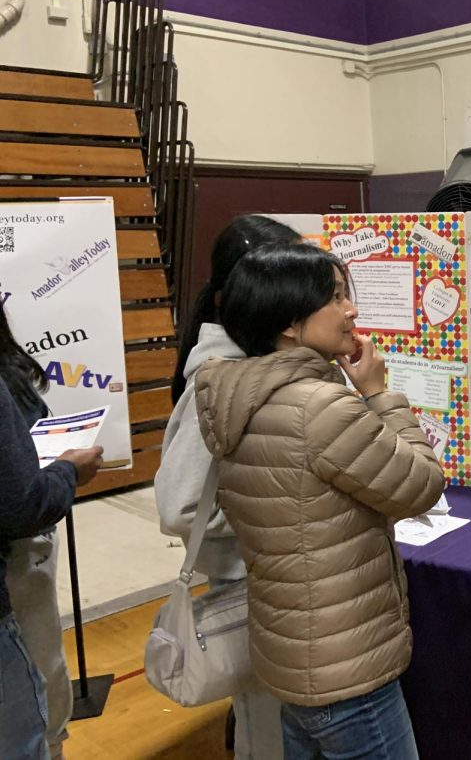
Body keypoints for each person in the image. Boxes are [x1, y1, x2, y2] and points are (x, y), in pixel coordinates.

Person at [194, 243, 445, 760]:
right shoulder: (318, 407)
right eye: (335, 298)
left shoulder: (240, 395)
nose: (351, 309)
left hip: (295, 654)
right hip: (347, 665)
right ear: (290, 322)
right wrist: (378, 394)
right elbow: (422, 485)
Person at [156, 214, 298, 759]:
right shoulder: (218, 382)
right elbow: (179, 508)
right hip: (250, 588)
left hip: (282, 588)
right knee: (266, 735)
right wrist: (278, 506)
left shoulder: (267, 366)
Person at [0, 302, 104, 759]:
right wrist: (65, 472)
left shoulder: (10, 368)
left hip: (24, 553)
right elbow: (24, 503)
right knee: (34, 685)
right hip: (15, 556)